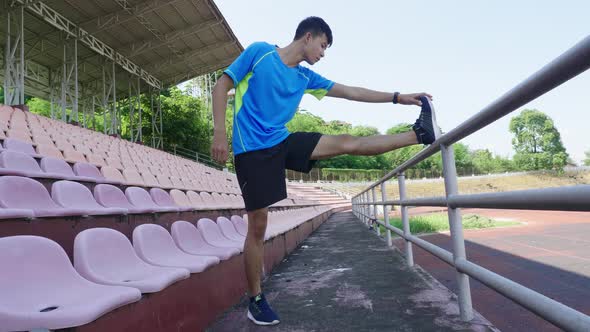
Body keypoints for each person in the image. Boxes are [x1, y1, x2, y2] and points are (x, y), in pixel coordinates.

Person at [210, 16, 440, 326]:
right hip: (251, 150)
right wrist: (220, 135)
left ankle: (419, 135)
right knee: (258, 225)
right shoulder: (260, 52)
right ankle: (256, 299)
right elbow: (221, 85)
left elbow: (352, 92)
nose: (323, 53)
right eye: (323, 46)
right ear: (308, 36)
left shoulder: (305, 78)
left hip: (281, 141)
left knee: (347, 142)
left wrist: (398, 98)